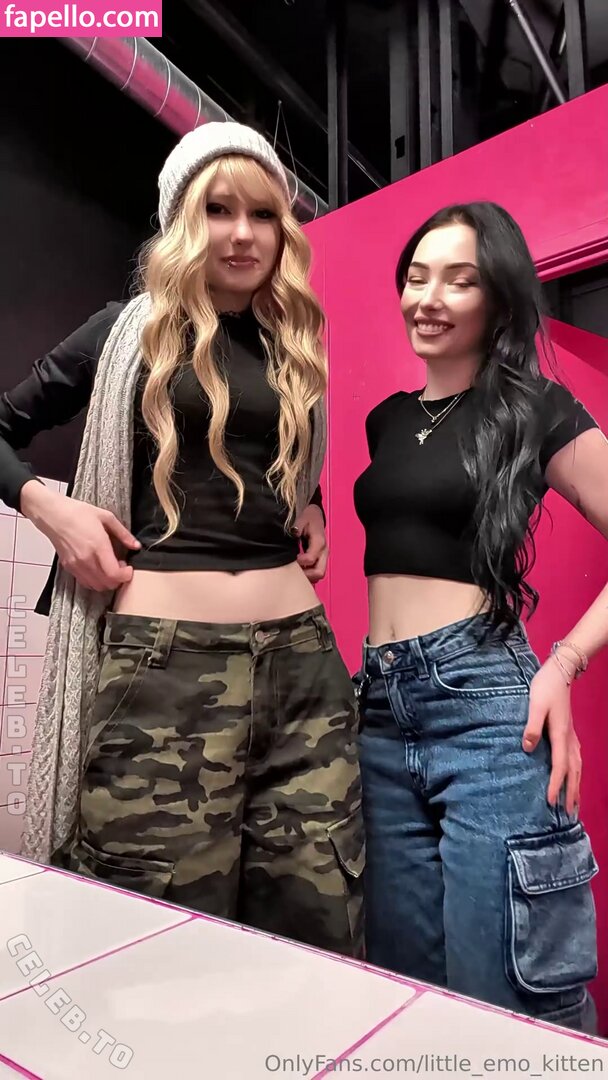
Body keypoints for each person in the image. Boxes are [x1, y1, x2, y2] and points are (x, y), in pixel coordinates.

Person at [0, 122, 364, 957]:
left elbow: (275, 464)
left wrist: (310, 504)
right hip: (167, 672)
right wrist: (51, 509)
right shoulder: (126, 332)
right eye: (218, 210)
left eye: (263, 214)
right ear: (181, 221)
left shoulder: (294, 347)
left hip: (304, 667)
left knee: (317, 926)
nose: (243, 234)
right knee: (153, 941)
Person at [353, 201, 608, 1030]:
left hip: (487, 713)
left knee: (502, 1007)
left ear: (496, 298)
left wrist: (564, 663)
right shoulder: (387, 420)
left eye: (458, 280)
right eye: (417, 276)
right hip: (379, 713)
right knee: (405, 995)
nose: (429, 298)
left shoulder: (536, 408)